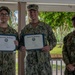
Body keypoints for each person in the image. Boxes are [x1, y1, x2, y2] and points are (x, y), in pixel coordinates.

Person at [19, 4, 57, 75]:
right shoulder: (25, 29)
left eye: (34, 11)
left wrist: (49, 47)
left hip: (44, 62)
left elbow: (54, 41)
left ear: (38, 12)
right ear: (28, 13)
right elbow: (20, 43)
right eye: (30, 12)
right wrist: (21, 47)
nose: (32, 14)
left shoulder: (46, 27)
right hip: (30, 62)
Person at [0, 6, 19, 75]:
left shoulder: (13, 32)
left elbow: (18, 47)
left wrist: (17, 45)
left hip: (9, 66)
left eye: (6, 14)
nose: (4, 16)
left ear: (8, 17)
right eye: (2, 14)